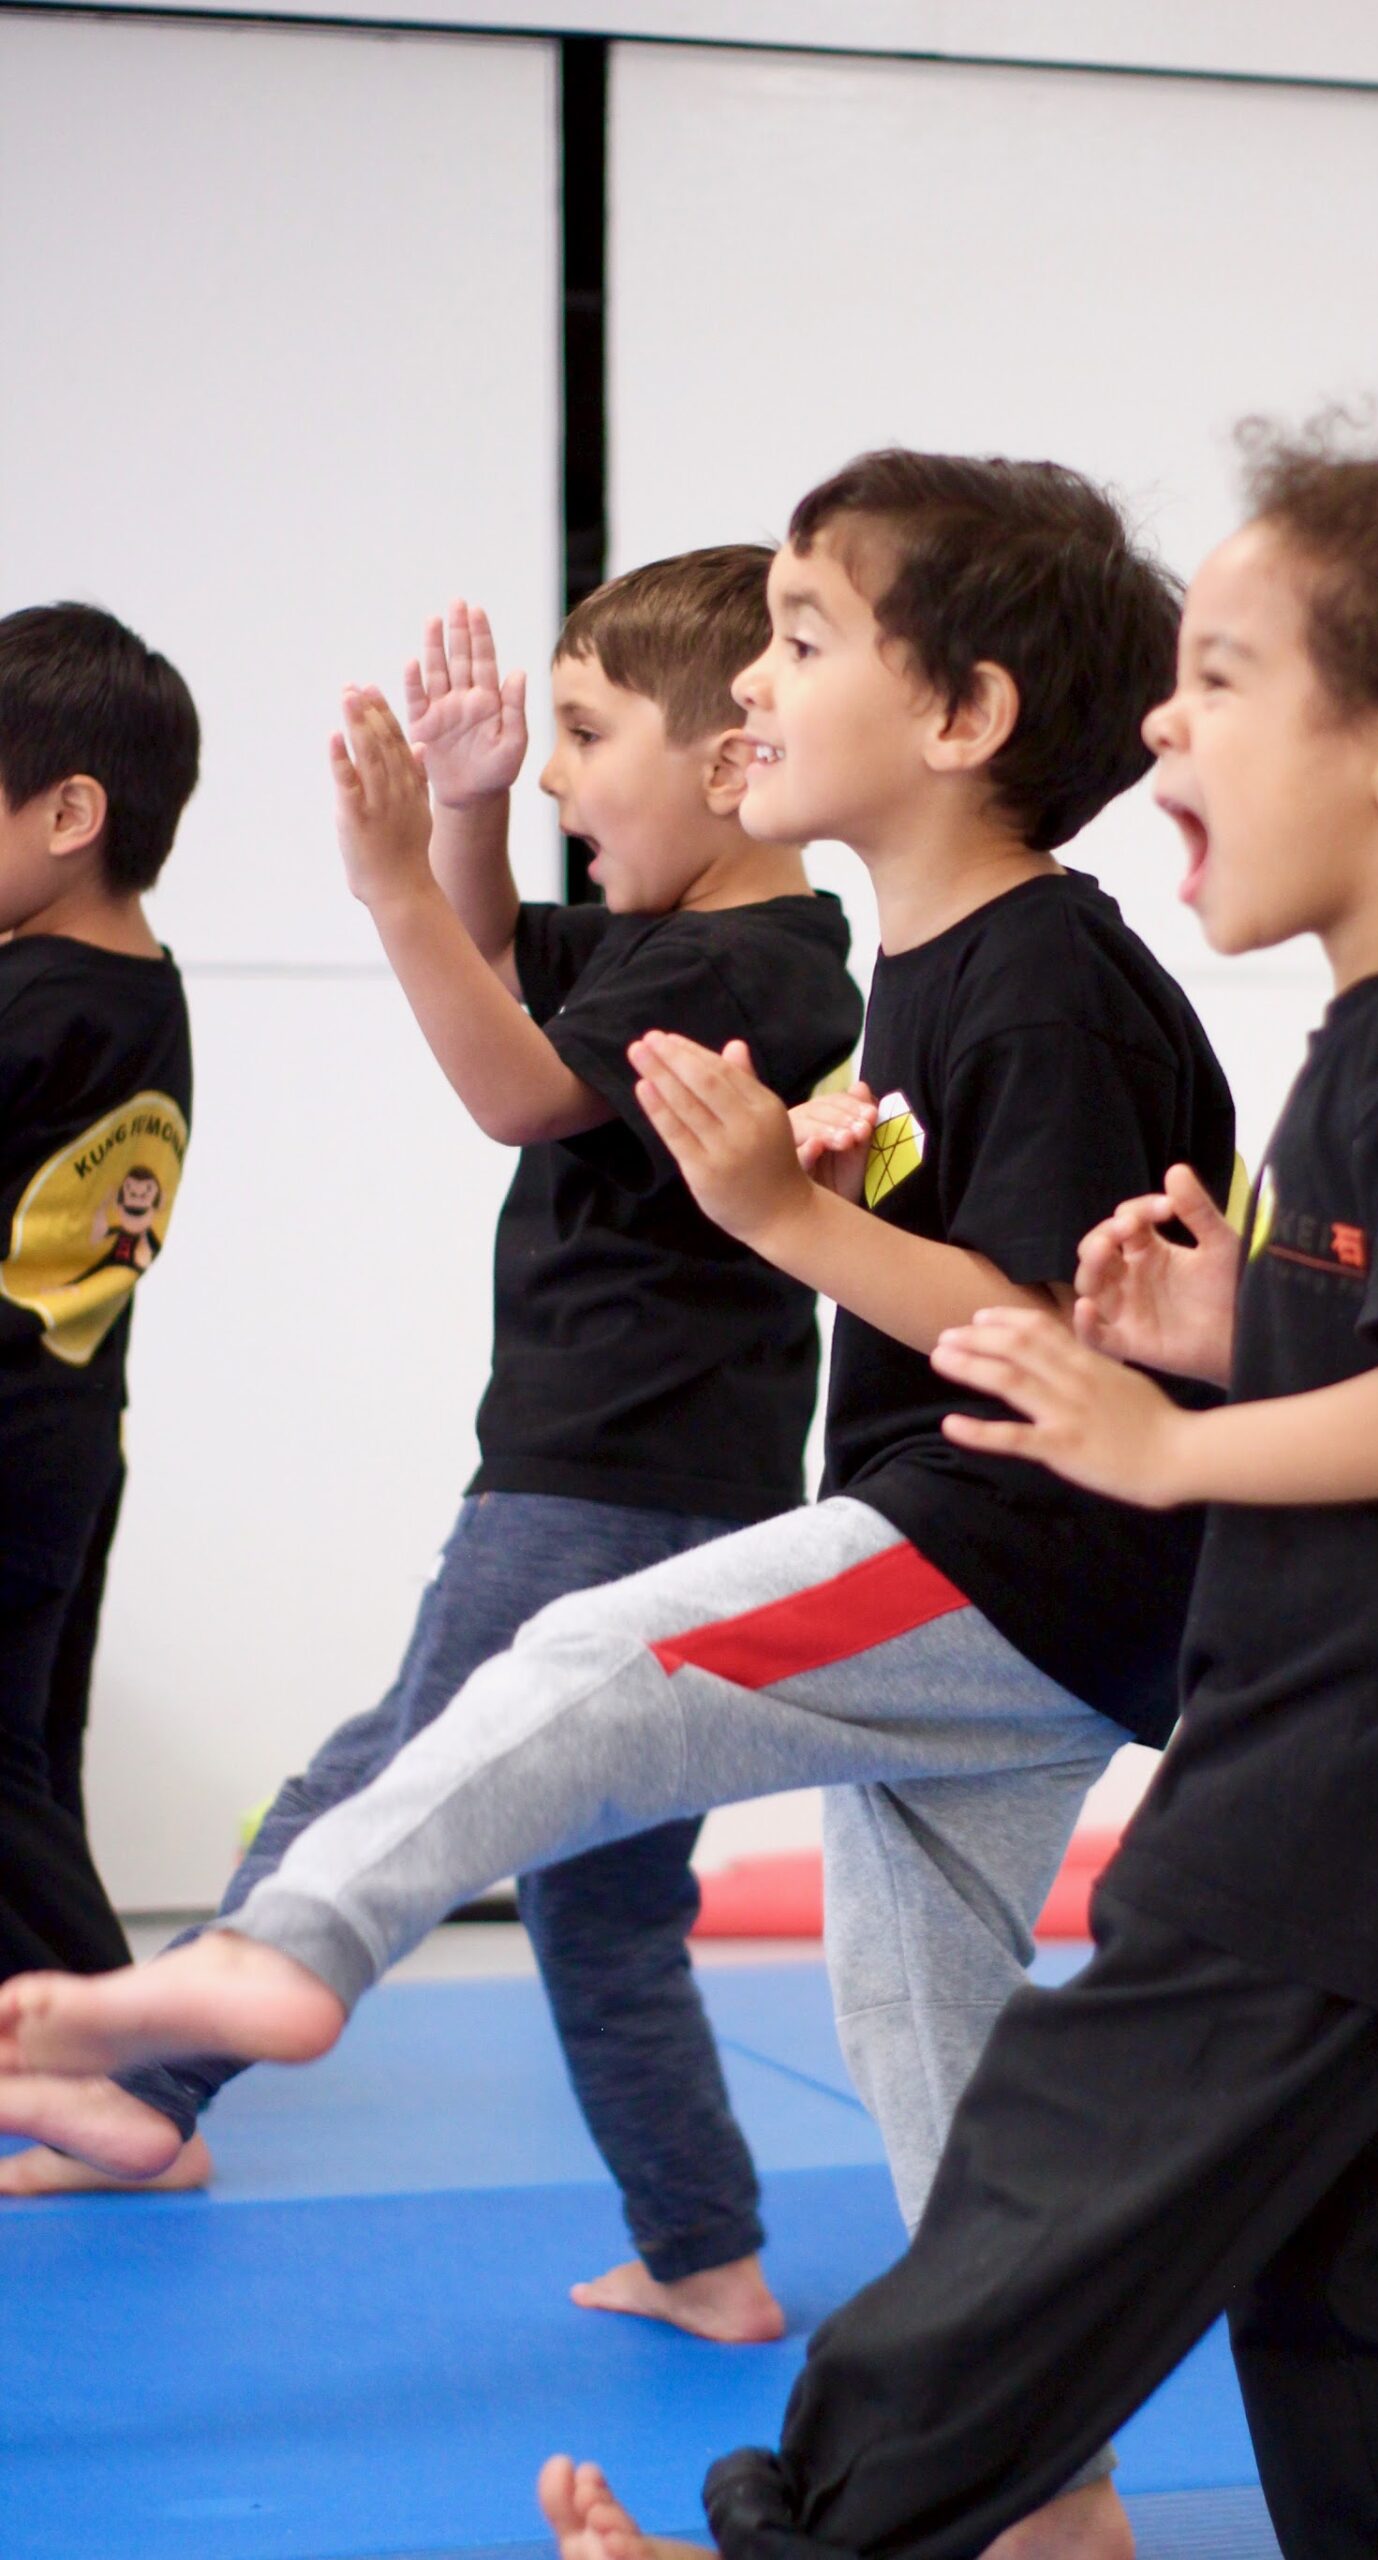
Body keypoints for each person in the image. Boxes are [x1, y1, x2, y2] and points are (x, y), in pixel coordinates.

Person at [0, 447, 1235, 2560]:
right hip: (1023, 1576)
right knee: (927, 2039)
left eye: (800, 640)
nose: (755, 691)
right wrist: (814, 1194)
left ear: (964, 719)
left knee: (579, 1657)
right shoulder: (929, 966)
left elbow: (1042, 1322)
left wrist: (776, 1209)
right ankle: (1049, 2492)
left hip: (1014, 1548)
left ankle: (291, 1951)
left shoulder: (1031, 968)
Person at [523, 434, 1378, 2560]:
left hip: (1369, 1781)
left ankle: (803, 2539)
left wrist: (1160, 1443)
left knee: (1053, 2176)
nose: (1159, 721)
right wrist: (1221, 1325)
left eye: (1226, 678)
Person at [0, 559, 865, 2349]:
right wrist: (464, 814)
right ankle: (704, 2248)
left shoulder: (758, 970)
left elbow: (513, 1091)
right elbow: (497, 971)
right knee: (604, 1905)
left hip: (601, 1481)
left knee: (371, 1785)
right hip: (634, 1477)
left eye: (580, 738)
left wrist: (394, 876)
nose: (553, 778)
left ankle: (146, 2100)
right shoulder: (673, 939)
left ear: (724, 765)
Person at [0, 603, 197, 1988]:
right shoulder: (138, 991)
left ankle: (119, 2052)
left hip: (10, 1435)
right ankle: (55, 2023)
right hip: (63, 1436)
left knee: (5, 1774)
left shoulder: (35, 1003)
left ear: (70, 810)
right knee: (29, 1749)